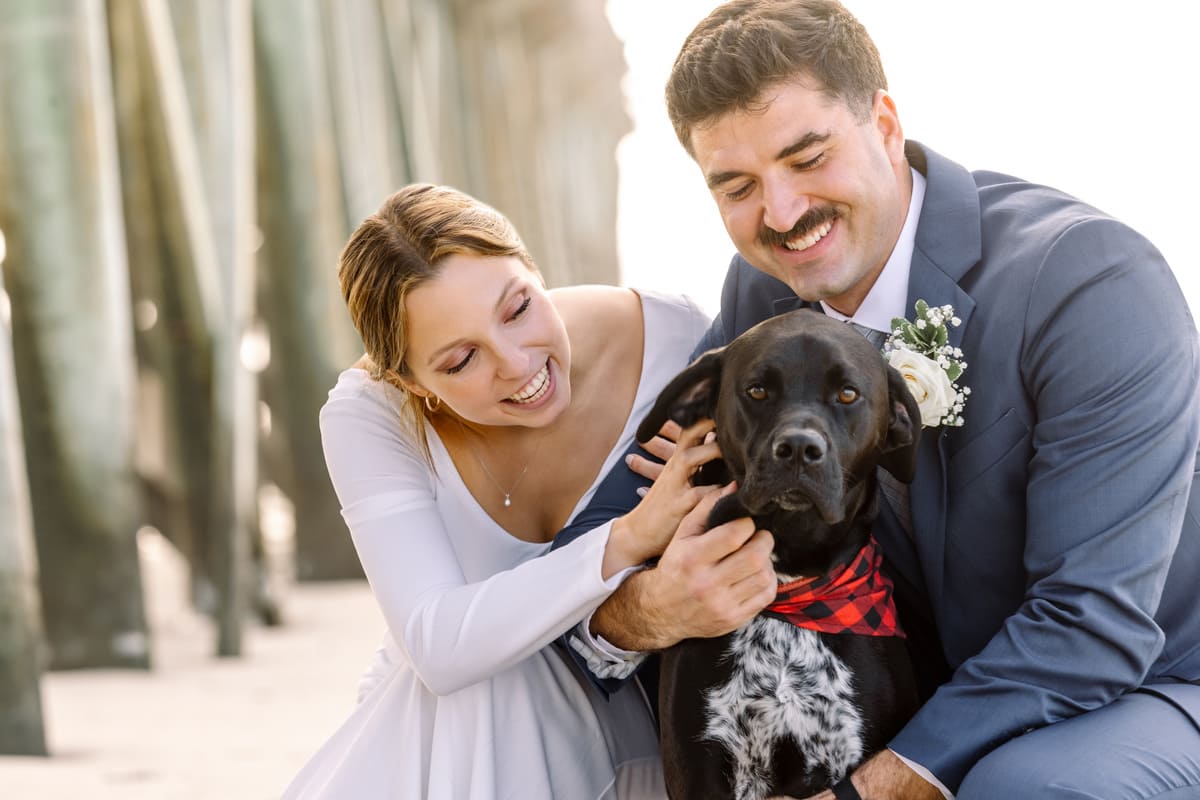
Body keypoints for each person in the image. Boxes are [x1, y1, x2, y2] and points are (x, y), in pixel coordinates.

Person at [574, 1, 1200, 798]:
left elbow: (1094, 621)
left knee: (1025, 788)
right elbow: (601, 538)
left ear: (886, 121)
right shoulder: (765, 295)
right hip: (919, 681)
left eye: (807, 158)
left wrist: (864, 791)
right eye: (736, 185)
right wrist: (655, 608)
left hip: (1155, 679)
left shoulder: (1087, 281)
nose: (783, 214)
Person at [281, 183, 726, 799]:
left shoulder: (677, 342)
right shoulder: (371, 415)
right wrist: (629, 537)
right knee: (484, 676)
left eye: (518, 308)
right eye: (462, 361)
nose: (516, 364)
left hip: (642, 726)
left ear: (534, 269)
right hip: (454, 747)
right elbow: (438, 647)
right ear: (411, 382)